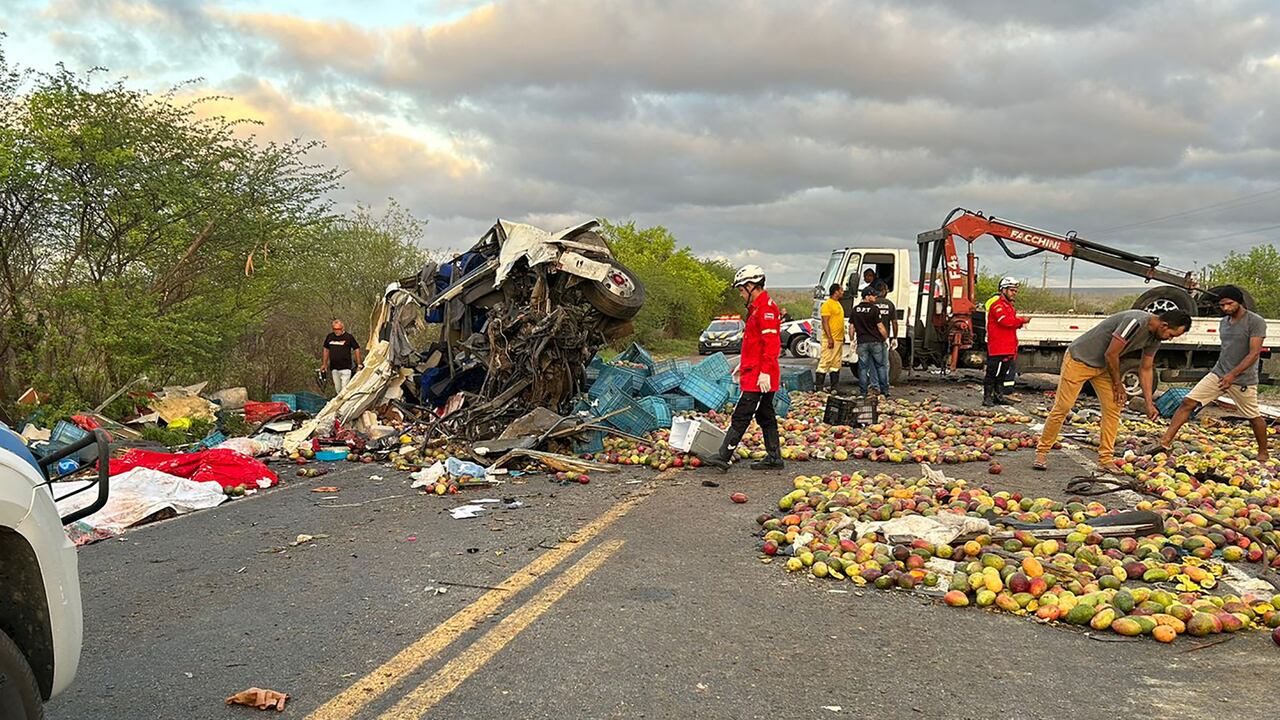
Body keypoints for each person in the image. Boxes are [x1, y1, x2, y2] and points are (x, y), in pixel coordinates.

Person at [1034, 308, 1192, 472]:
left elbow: (1145, 369)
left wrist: (1149, 403)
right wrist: (1118, 385)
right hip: (1079, 360)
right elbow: (1111, 354)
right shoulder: (1135, 322)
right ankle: (1042, 452)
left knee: (1114, 407)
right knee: (1064, 406)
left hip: (1103, 367)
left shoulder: (1155, 338)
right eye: (1171, 335)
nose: (1170, 339)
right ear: (1164, 325)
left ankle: (1105, 459)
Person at [1150, 286, 1268, 462]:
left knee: (1252, 416)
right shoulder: (1223, 322)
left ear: (1239, 302)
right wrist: (1224, 373)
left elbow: (1253, 353)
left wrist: (1232, 376)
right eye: (1222, 305)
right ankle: (1165, 442)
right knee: (1188, 402)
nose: (1226, 308)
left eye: (1229, 304)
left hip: (1242, 378)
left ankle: (1263, 452)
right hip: (1219, 373)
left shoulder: (1255, 322)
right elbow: (1228, 350)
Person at [702, 265, 784, 471]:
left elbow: (771, 344)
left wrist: (764, 371)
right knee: (765, 415)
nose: (740, 294)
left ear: (750, 286)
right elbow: (755, 344)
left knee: (741, 415)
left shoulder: (765, 309)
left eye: (741, 289)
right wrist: (742, 363)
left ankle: (723, 455)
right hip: (754, 371)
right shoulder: (756, 308)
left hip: (759, 376)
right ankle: (774, 457)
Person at [984, 277, 1029, 406]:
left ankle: (998, 396)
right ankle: (987, 397)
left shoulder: (1009, 306)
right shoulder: (997, 305)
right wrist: (1022, 320)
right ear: (1003, 290)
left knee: (1003, 374)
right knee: (992, 373)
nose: (1014, 293)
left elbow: (1011, 323)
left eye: (1015, 290)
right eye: (1011, 290)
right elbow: (1005, 321)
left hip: (1008, 346)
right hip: (998, 346)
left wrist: (1018, 323)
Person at [851, 286, 891, 397]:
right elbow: (880, 327)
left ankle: (863, 393)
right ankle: (885, 391)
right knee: (880, 366)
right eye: (873, 295)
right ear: (867, 296)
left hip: (862, 342)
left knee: (863, 368)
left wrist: (851, 340)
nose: (875, 297)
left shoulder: (855, 310)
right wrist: (886, 338)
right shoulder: (874, 309)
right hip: (875, 342)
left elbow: (852, 327)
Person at [817, 284, 846, 392]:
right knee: (825, 361)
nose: (843, 292)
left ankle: (835, 387)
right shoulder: (827, 305)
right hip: (831, 339)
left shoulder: (837, 303)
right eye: (841, 290)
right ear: (836, 291)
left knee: (836, 363)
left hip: (838, 339)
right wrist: (829, 338)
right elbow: (825, 322)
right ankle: (819, 388)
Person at [321, 319, 362, 394]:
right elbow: (326, 349)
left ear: (342, 328)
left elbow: (356, 349)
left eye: (338, 329)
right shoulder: (330, 337)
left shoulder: (348, 337)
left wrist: (359, 364)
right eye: (334, 329)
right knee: (338, 389)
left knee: (344, 390)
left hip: (346, 368)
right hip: (334, 368)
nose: (336, 331)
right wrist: (324, 364)